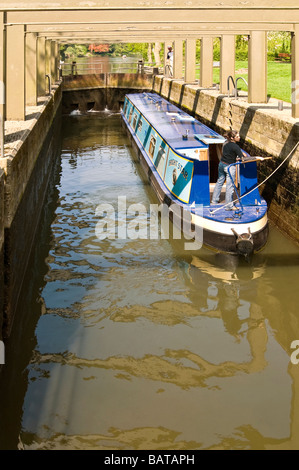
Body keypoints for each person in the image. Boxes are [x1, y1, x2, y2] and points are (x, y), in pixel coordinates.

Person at [211, 130, 246, 210]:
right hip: (229, 167)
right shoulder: (236, 147)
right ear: (232, 138)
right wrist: (242, 156)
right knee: (230, 186)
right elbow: (242, 158)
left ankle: (214, 201)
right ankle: (229, 206)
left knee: (219, 182)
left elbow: (227, 152)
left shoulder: (225, 143)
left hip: (221, 164)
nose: (239, 137)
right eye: (237, 136)